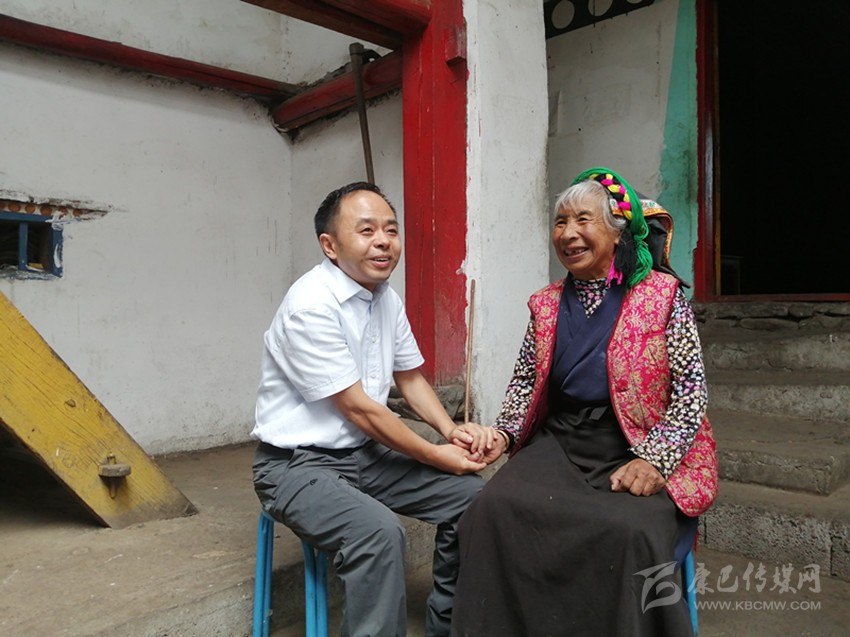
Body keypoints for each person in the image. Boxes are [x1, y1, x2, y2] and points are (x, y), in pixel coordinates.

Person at [450, 167, 719, 637]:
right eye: (560, 222)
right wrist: (504, 433)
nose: (568, 234)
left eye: (583, 220)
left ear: (616, 234)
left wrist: (655, 460)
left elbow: (692, 389)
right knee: (492, 509)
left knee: (629, 531)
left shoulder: (661, 296)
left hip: (640, 443)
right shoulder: (545, 304)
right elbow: (525, 381)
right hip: (565, 439)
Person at [251, 182, 496, 637]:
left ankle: (449, 627)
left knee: (473, 499)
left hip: (364, 455)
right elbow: (360, 410)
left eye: (391, 230)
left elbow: (410, 378)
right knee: (377, 532)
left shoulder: (384, 296)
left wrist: (451, 432)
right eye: (366, 231)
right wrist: (435, 454)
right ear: (330, 245)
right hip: (295, 466)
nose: (383, 241)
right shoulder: (310, 305)